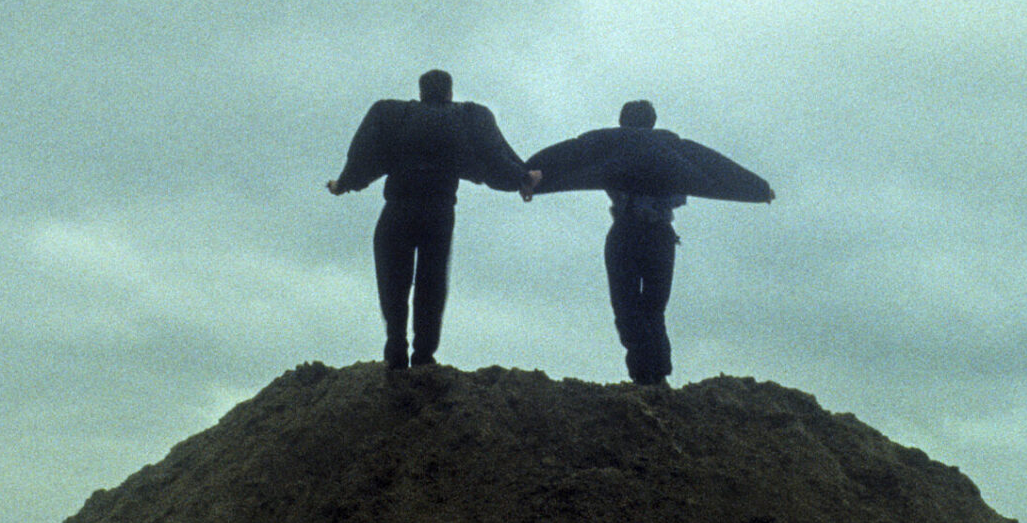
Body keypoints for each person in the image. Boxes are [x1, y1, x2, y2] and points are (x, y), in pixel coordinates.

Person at [522, 100, 772, 386]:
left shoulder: (607, 144)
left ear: (622, 121)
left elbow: (567, 154)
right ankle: (655, 374)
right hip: (658, 236)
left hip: (627, 234)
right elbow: (716, 166)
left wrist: (525, 175)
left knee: (627, 307)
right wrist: (758, 188)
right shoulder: (674, 147)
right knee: (653, 308)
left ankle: (647, 375)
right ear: (653, 122)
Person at [328, 70, 534, 370]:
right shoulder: (468, 116)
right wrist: (523, 178)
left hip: (397, 207)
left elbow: (361, 155)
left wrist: (343, 184)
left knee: (393, 281)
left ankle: (395, 346)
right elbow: (496, 154)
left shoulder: (392, 113)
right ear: (450, 92)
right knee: (431, 285)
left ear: (421, 91)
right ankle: (423, 357)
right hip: (438, 214)